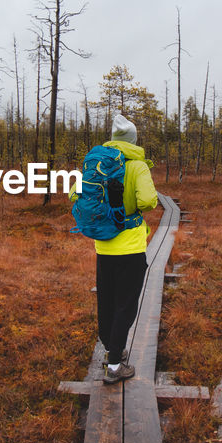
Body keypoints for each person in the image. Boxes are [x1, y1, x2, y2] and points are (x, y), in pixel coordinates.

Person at [92, 113, 158, 384]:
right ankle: (116, 366)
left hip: (103, 247)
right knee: (126, 306)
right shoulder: (138, 166)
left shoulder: (98, 163)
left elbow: (75, 194)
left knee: (106, 301)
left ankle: (110, 351)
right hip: (130, 248)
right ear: (132, 140)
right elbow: (149, 201)